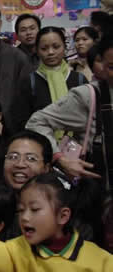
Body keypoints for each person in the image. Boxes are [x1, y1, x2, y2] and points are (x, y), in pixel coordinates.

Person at [26, 36, 113, 188]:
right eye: (112, 66)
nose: (51, 52)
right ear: (102, 65)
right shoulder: (90, 96)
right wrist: (60, 158)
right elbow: (37, 121)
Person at [12, 27, 88, 132]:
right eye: (44, 48)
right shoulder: (29, 82)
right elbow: (23, 120)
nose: (50, 52)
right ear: (37, 51)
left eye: (56, 47)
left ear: (64, 48)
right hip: (41, 143)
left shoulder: (79, 80)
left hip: (78, 144)